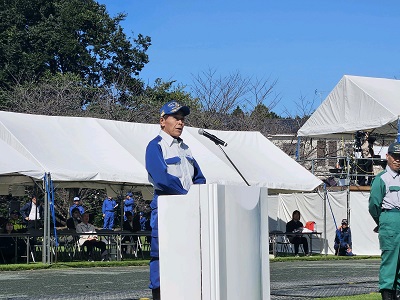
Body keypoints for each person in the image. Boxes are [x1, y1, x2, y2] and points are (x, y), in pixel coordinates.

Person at [145, 100, 207, 300]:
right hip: (166, 210)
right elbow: (162, 179)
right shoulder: (156, 146)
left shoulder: (185, 148)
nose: (180, 123)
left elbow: (199, 177)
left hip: (188, 211)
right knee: (161, 258)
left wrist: (201, 196)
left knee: (187, 256)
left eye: (183, 119)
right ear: (163, 121)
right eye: (176, 118)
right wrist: (187, 198)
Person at [369, 141, 400, 300]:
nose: (397, 160)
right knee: (390, 262)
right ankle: (388, 295)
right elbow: (374, 205)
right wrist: (382, 221)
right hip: (390, 219)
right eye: (394, 156)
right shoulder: (382, 178)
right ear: (387, 156)